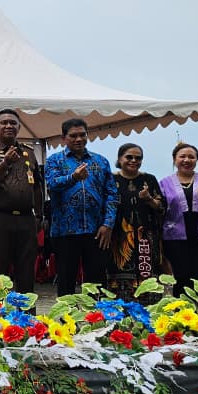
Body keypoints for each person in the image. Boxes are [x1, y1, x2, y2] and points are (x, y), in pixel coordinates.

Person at [44, 118, 118, 297]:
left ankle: (97, 321)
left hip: (96, 230)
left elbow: (112, 194)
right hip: (65, 231)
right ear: (64, 138)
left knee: (96, 282)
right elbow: (52, 184)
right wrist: (73, 178)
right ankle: (65, 323)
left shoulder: (101, 161)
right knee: (66, 282)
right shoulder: (54, 160)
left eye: (82, 135)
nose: (78, 139)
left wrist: (108, 224)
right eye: (73, 136)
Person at [0, 109, 44, 294]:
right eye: (4, 123)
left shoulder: (29, 153)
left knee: (26, 271)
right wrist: (5, 162)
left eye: (13, 123)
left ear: (19, 127)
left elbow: (37, 186)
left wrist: (39, 215)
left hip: (26, 219)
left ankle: (27, 318)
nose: (8, 126)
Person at [159, 143, 198, 297]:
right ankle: (181, 317)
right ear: (175, 159)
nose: (186, 160)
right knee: (180, 279)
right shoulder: (164, 182)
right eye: (182, 156)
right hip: (175, 238)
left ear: (196, 160)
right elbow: (159, 207)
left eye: (191, 157)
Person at [107, 143, 165, 303]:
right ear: (120, 159)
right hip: (118, 239)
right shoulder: (111, 179)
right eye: (129, 157)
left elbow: (161, 207)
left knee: (148, 280)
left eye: (138, 158)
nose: (134, 160)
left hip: (146, 238)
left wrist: (148, 198)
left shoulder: (149, 179)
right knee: (118, 283)